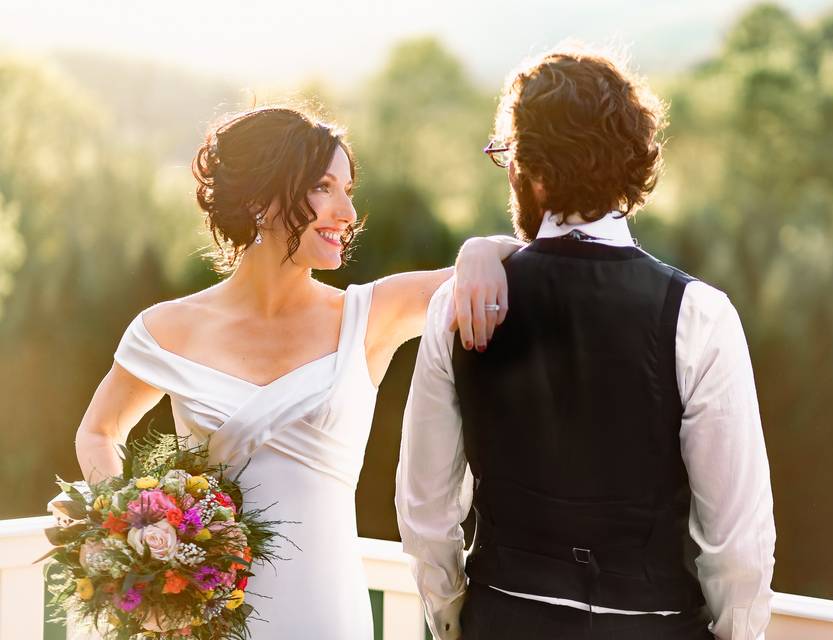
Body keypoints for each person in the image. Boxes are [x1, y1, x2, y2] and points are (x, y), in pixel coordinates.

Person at [74, 106, 520, 639]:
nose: (348, 211)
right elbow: (98, 432)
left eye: (348, 189)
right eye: (324, 187)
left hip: (327, 613)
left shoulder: (367, 316)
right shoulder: (167, 328)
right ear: (262, 199)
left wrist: (482, 248)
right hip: (207, 619)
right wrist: (142, 529)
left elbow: (527, 263)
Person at [396, 47, 776, 640]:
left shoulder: (457, 306)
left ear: (528, 166)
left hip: (503, 620)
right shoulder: (700, 316)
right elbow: (737, 543)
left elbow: (426, 513)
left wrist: (454, 622)